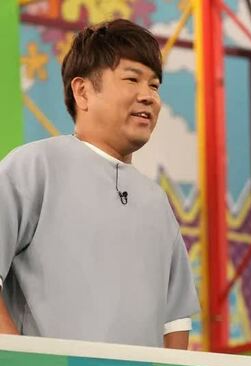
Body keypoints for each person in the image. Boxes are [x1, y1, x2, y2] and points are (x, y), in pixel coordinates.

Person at [0, 19, 199, 349]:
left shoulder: (156, 201)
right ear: (83, 91)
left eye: (154, 86)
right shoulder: (33, 167)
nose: (148, 96)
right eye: (132, 79)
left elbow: (175, 318)